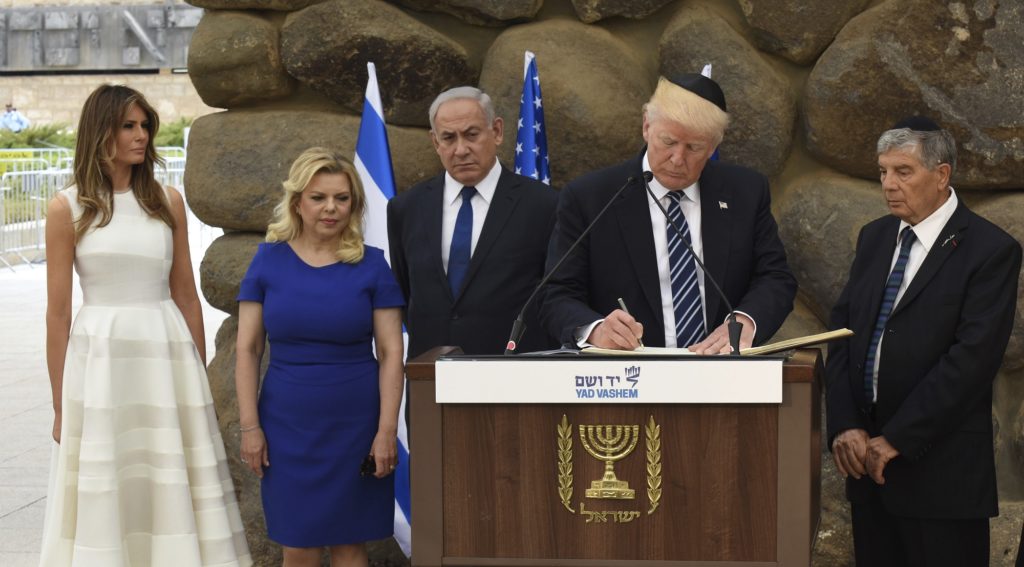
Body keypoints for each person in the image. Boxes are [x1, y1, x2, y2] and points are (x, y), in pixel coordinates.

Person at [40, 84, 251, 565]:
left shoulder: (166, 200)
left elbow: (186, 295)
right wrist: (59, 403)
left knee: (169, 474)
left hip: (165, 350)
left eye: (145, 126)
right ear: (101, 132)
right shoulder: (66, 208)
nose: (141, 136)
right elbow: (57, 314)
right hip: (101, 359)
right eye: (129, 126)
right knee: (110, 476)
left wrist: (196, 373)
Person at [826, 116, 1022, 566]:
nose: (888, 185)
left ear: (941, 175)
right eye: (882, 172)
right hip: (868, 473)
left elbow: (971, 361)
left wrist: (895, 437)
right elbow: (843, 336)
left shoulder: (991, 251)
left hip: (941, 479)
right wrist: (845, 424)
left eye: (903, 171)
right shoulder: (874, 237)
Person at [539, 73, 796, 352]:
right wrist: (596, 329)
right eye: (669, 142)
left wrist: (746, 321)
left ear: (713, 147)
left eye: (693, 148)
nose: (677, 159)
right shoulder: (591, 197)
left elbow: (775, 278)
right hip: (627, 378)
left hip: (721, 372)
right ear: (647, 126)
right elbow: (557, 294)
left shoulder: (745, 192)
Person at [235, 147, 404, 567]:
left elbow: (390, 351)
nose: (331, 208)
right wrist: (250, 427)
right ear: (297, 202)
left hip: (356, 423)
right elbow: (248, 348)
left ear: (354, 204)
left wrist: (386, 432)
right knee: (299, 544)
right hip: (285, 424)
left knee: (350, 543)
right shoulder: (267, 261)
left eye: (342, 198)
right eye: (319, 197)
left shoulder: (372, 266)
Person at [387, 86, 558, 358]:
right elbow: (405, 293)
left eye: (471, 135)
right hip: (432, 379)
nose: (461, 150)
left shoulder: (544, 204)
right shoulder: (406, 208)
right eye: (448, 138)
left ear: (497, 131)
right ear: (435, 142)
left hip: (513, 377)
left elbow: (556, 295)